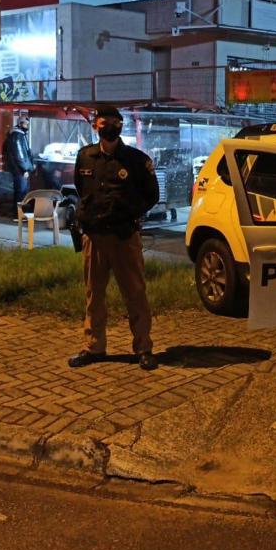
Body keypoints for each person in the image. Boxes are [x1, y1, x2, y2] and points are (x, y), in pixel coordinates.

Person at [68, 105, 160, 371]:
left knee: (135, 294)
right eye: (103, 122)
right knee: (94, 295)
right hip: (94, 237)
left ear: (121, 126)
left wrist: (126, 213)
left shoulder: (136, 160)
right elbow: (81, 189)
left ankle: (143, 348)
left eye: (114, 122)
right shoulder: (85, 157)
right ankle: (93, 347)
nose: (108, 126)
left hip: (124, 237)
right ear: (95, 126)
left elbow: (151, 195)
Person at [3, 114, 35, 215]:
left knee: (21, 191)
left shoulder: (19, 135)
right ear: (20, 124)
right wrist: (24, 169)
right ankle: (18, 214)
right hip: (20, 170)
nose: (27, 126)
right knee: (21, 192)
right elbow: (19, 155)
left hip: (19, 169)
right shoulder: (17, 136)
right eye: (26, 124)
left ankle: (19, 213)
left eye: (28, 124)